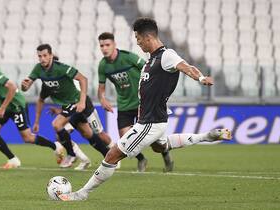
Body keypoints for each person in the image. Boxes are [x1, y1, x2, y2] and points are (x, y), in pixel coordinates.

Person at [58, 17, 232, 201]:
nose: (138, 42)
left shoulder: (166, 55)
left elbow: (186, 67)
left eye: (138, 39)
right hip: (154, 119)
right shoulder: (151, 60)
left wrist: (201, 78)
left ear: (147, 37)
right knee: (160, 147)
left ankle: (82, 193)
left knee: (112, 155)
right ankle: (208, 136)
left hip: (150, 122)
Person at [21, 44, 110, 168]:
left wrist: (82, 101)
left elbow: (83, 79)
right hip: (69, 106)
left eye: (45, 55)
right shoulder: (40, 73)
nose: (42, 59)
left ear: (51, 56)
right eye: (40, 56)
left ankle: (72, 154)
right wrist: (24, 87)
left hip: (79, 101)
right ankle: (108, 157)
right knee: (87, 134)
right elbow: (32, 92)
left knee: (61, 126)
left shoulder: (61, 68)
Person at [97, 32, 173, 172]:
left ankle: (166, 153)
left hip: (142, 103)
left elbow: (150, 69)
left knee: (153, 139)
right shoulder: (103, 66)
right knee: (125, 138)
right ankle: (141, 159)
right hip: (124, 104)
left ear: (114, 45)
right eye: (101, 45)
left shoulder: (128, 57)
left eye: (107, 45)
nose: (104, 48)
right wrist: (102, 99)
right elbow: (100, 89)